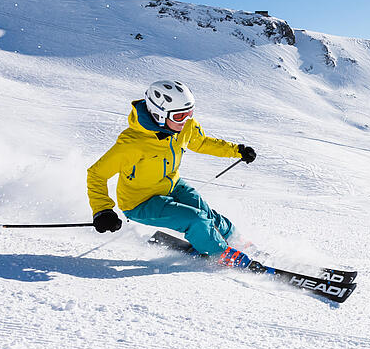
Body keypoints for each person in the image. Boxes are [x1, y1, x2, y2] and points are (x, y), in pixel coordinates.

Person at [87, 80, 257, 266]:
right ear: (159, 114)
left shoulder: (184, 127)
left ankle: (235, 241)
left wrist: (237, 150)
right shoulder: (132, 144)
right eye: (179, 116)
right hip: (140, 202)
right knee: (196, 219)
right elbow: (96, 174)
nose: (185, 121)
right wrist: (102, 210)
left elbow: (201, 142)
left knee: (208, 214)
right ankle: (221, 254)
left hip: (172, 185)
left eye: (189, 113)